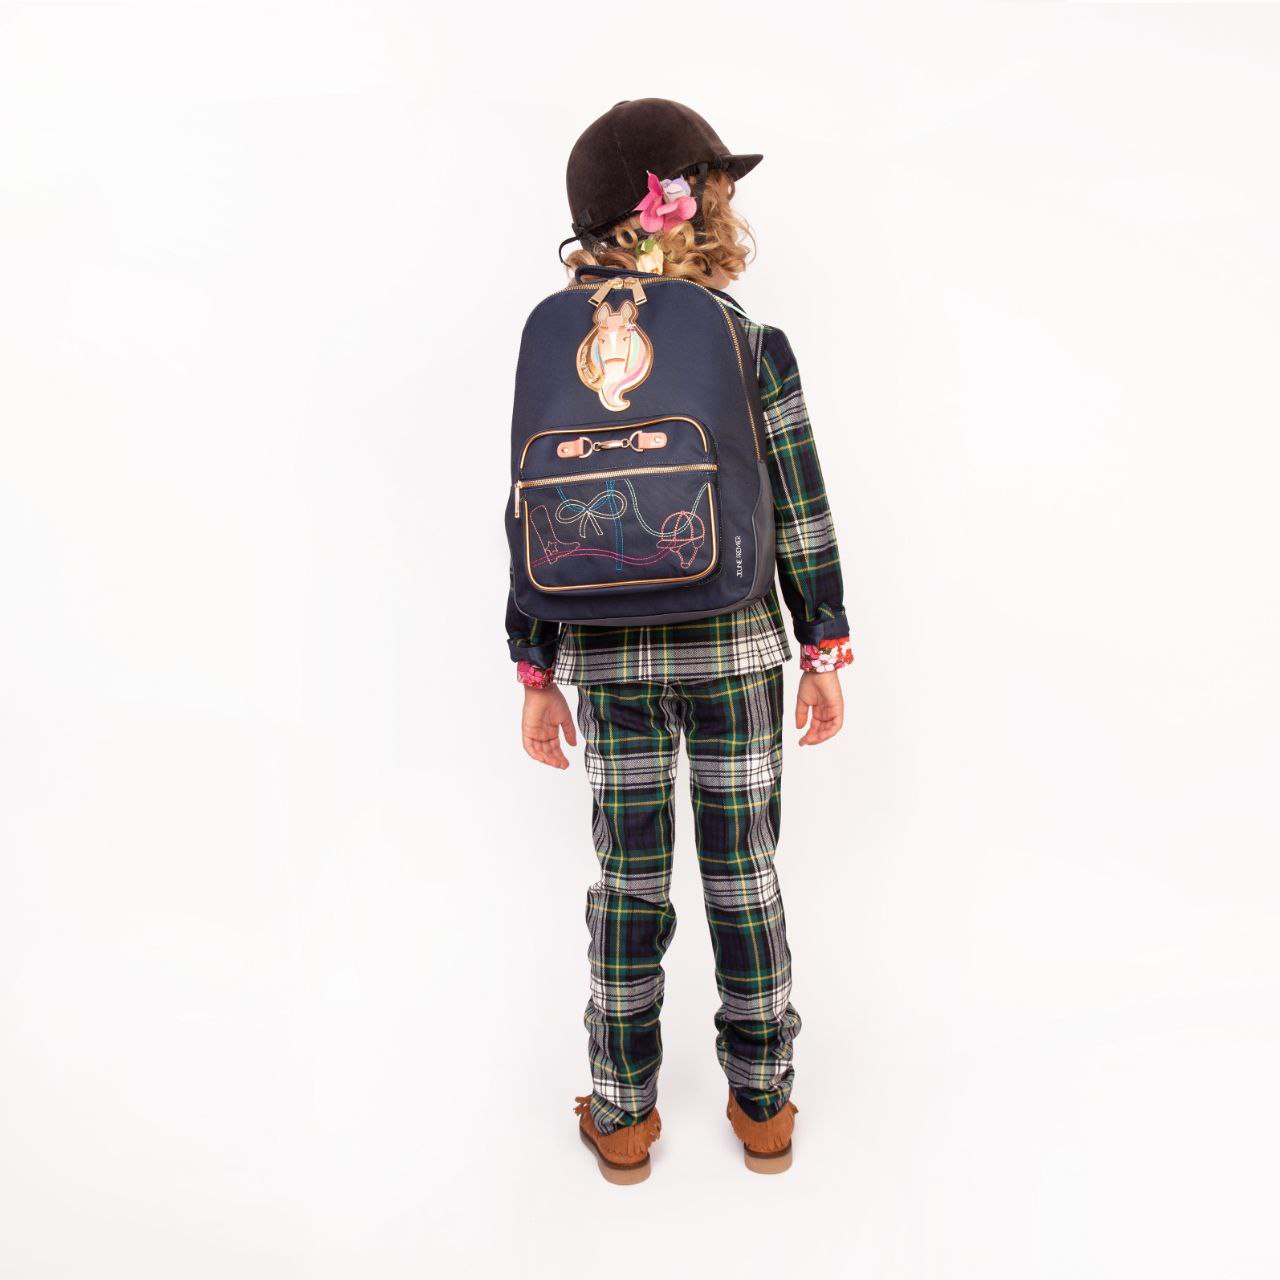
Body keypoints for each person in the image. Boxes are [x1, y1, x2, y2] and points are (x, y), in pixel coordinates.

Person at [505, 99, 853, 1183]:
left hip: (608, 660)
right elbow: (799, 503)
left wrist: (535, 662)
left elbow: (530, 503)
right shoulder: (746, 338)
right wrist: (821, 644)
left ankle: (621, 1111)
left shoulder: (559, 344)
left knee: (629, 885)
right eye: (714, 189)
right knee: (743, 874)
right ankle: (763, 1102)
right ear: (681, 205)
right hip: (735, 645)